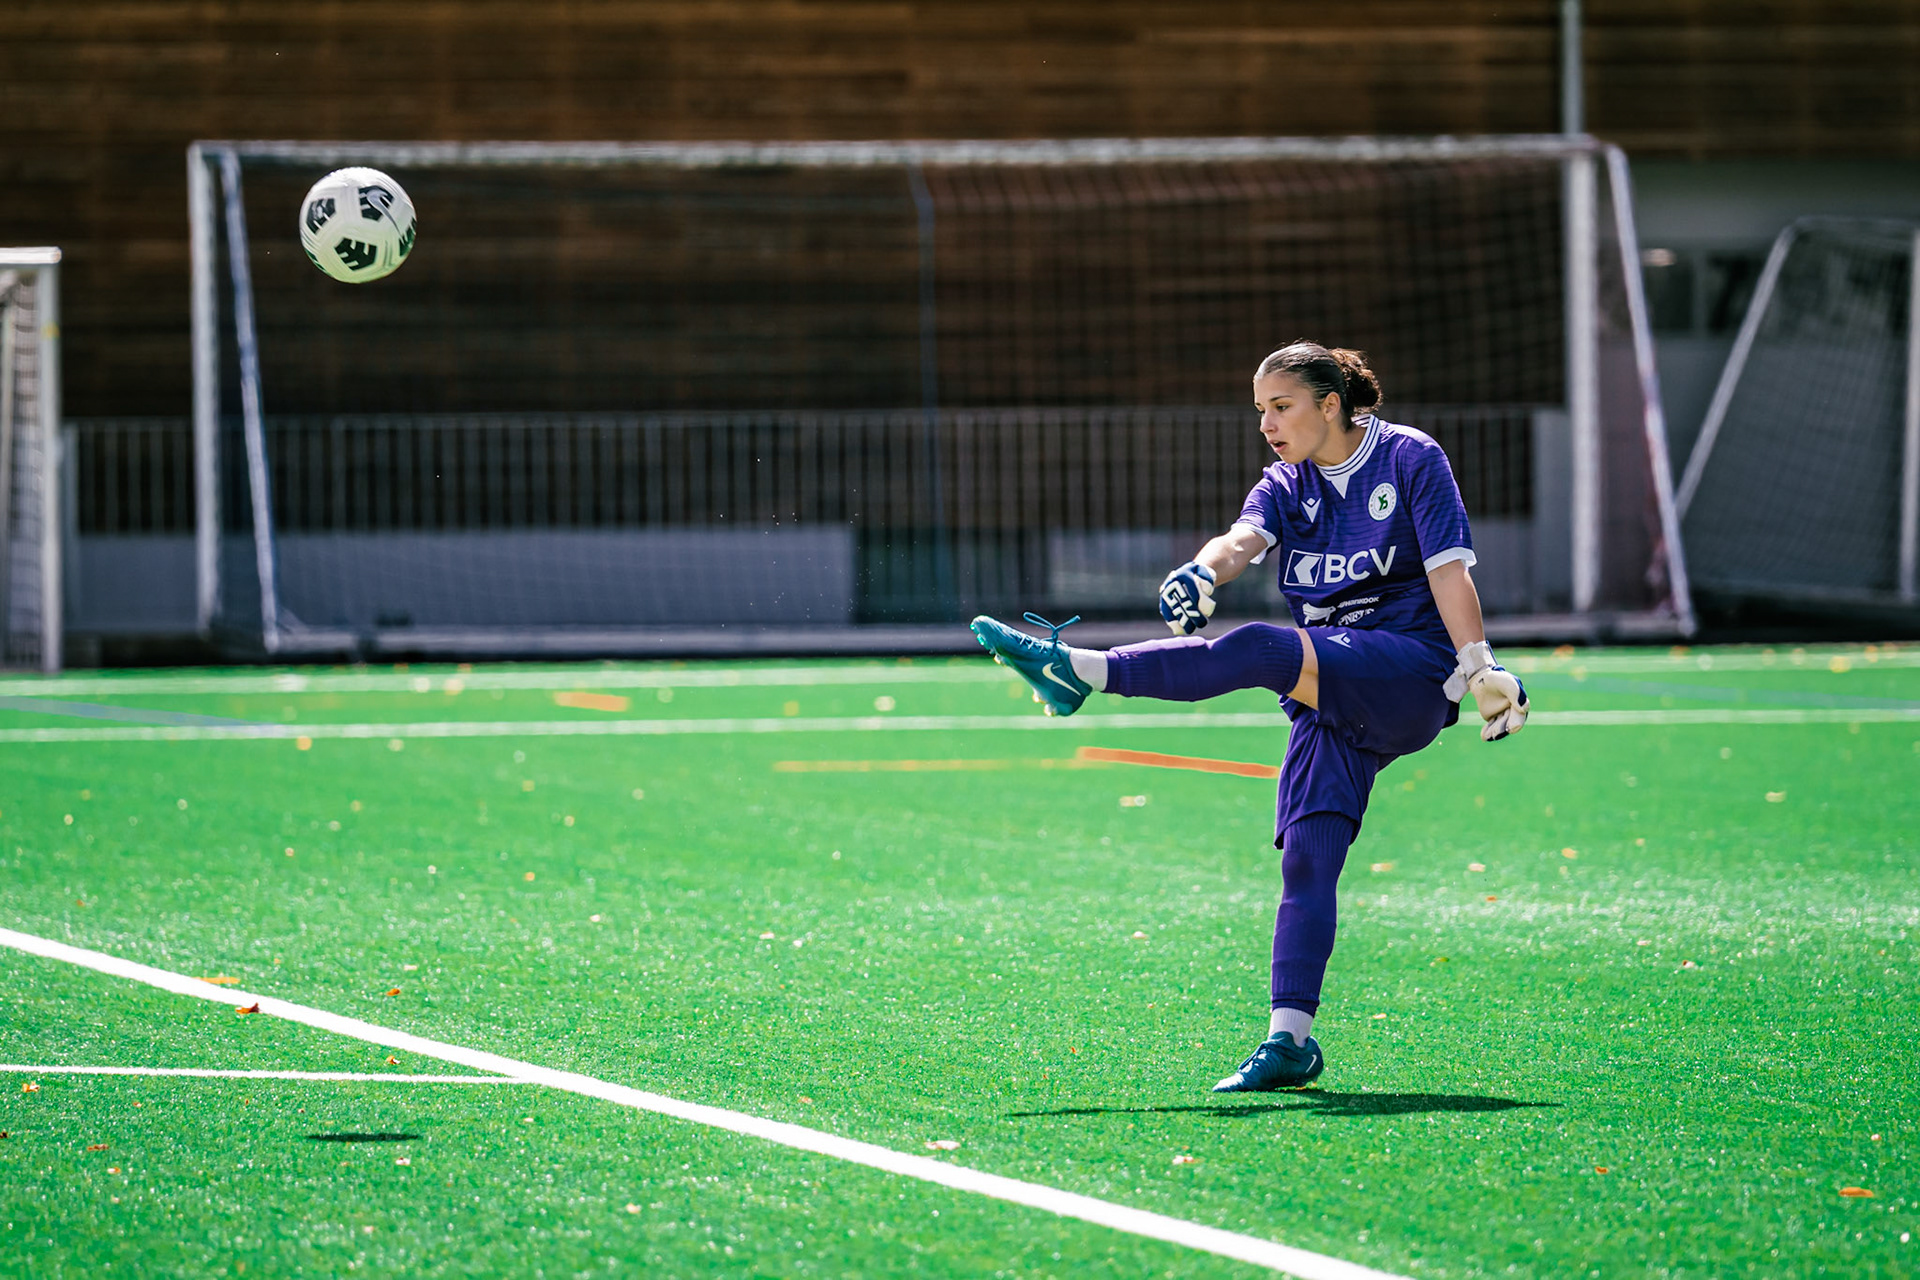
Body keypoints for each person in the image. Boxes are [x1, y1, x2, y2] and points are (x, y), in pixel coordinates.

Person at [969, 341, 1528, 1092]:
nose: (1266, 423)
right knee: (1306, 860)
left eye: (1281, 406)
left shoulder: (1408, 458)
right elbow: (1241, 541)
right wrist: (1200, 571)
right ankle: (1289, 1041)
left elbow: (1447, 570)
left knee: (1265, 647)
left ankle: (1079, 671)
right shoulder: (1284, 482)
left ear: (1329, 404)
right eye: (1260, 410)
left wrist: (1479, 665)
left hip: (1409, 671)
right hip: (1328, 698)